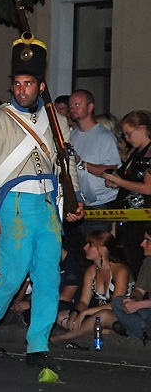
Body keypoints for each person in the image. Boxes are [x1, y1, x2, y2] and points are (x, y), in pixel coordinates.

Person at [0, 33, 84, 371]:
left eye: (29, 83)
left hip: (48, 205)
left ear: (41, 86)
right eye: (17, 83)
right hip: (13, 205)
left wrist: (74, 199)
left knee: (48, 278)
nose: (22, 90)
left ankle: (38, 344)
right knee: (12, 275)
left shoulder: (56, 121)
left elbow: (66, 164)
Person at [51, 230, 131, 345]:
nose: (85, 248)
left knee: (102, 316)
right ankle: (101, 330)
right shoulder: (92, 270)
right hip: (98, 313)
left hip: (122, 315)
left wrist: (84, 313)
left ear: (102, 249)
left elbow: (115, 305)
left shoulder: (120, 270)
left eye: (90, 245)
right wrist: (75, 312)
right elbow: (83, 302)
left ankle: (62, 338)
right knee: (62, 316)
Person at [103, 111, 151, 276]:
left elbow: (148, 188)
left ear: (142, 129)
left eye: (129, 134)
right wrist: (116, 183)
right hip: (127, 217)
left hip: (142, 220)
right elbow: (130, 182)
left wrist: (119, 182)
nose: (127, 139)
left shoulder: (149, 154)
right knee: (126, 262)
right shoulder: (135, 153)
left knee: (138, 264)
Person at [67, 90, 120, 234]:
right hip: (77, 201)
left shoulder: (104, 136)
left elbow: (111, 170)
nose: (72, 109)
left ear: (90, 107)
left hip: (99, 203)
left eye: (77, 105)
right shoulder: (71, 136)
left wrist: (82, 164)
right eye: (70, 106)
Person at [112, 225, 151, 341]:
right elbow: (139, 290)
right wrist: (134, 301)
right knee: (117, 302)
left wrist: (138, 305)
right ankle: (143, 331)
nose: (142, 244)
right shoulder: (148, 262)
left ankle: (134, 330)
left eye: (148, 240)